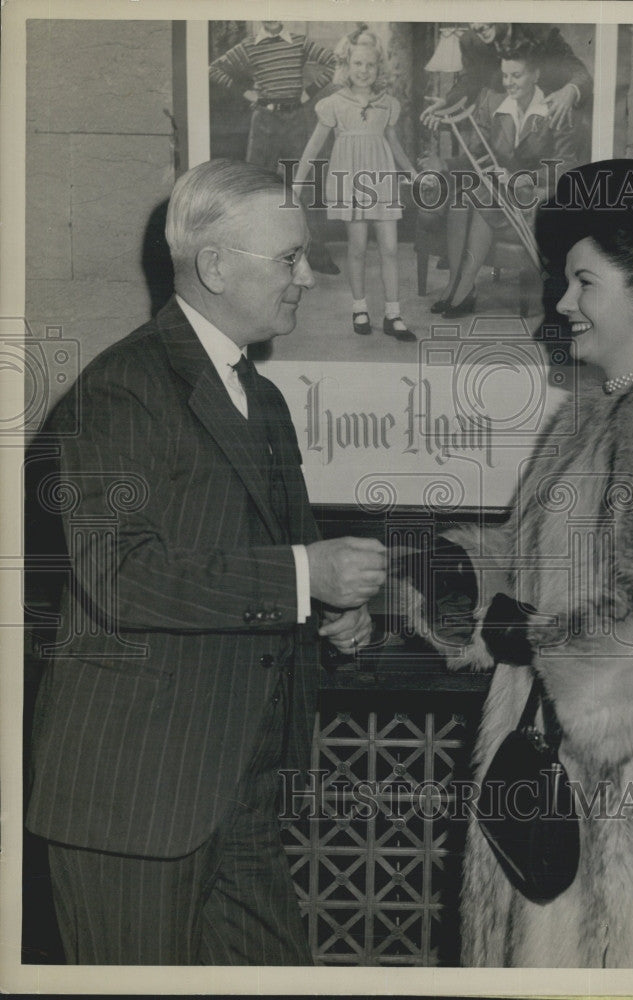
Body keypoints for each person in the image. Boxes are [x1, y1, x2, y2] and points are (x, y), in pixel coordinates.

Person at [400, 159, 633, 967]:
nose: (561, 304)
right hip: (546, 802)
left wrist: (540, 647)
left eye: (582, 282)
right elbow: (531, 566)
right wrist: (455, 580)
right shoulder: (581, 421)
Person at [25, 158, 387, 965]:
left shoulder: (259, 398)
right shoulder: (120, 390)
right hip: (135, 800)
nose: (306, 278)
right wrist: (304, 577)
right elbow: (120, 573)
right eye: (288, 259)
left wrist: (332, 612)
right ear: (216, 266)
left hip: (241, 789)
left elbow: (265, 558)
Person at [423, 38, 580, 318]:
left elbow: (566, 166)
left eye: (516, 75)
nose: (509, 82)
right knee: (462, 200)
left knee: (483, 201)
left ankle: (464, 290)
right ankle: (454, 286)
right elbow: (474, 154)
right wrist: (443, 165)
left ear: (536, 75)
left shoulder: (555, 108)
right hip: (498, 191)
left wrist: (523, 177)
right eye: (506, 75)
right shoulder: (492, 102)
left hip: (536, 194)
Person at [293, 26, 418, 342]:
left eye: (370, 65)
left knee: (389, 248)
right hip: (350, 179)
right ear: (346, 66)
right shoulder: (335, 103)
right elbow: (313, 145)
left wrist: (413, 173)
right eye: (357, 64)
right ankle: (359, 307)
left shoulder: (388, 103)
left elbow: (393, 142)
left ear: (379, 68)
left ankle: (393, 314)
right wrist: (297, 182)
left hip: (382, 177)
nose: (364, 71)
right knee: (359, 248)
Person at [209, 20, 341, 275]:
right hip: (264, 120)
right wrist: (246, 92)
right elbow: (215, 69)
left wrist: (308, 92)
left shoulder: (298, 42)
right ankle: (251, 253)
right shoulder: (249, 46)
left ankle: (316, 253)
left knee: (305, 183)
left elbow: (334, 61)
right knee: (254, 185)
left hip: (295, 119)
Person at [420, 23, 592, 133]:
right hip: (508, 128)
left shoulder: (541, 33)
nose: (476, 26)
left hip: (552, 125)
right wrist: (447, 102)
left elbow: (581, 74)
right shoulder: (471, 42)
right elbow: (470, 82)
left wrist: (570, 90)